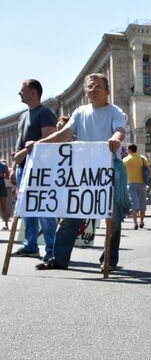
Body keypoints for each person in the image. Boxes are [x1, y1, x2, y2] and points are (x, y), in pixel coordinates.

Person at [31, 73, 126, 271]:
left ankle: (108, 259)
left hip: (108, 169)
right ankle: (59, 259)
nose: (94, 89)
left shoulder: (114, 111)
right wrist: (38, 144)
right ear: (85, 90)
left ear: (107, 91)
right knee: (70, 214)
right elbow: (63, 134)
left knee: (113, 217)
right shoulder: (80, 111)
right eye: (90, 86)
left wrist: (115, 139)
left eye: (99, 86)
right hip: (83, 170)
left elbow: (119, 130)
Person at [10, 79, 58, 261]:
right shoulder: (23, 116)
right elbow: (19, 145)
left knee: (45, 209)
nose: (19, 93)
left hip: (40, 169)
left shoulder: (45, 113)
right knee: (27, 209)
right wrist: (15, 168)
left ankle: (52, 248)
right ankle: (30, 246)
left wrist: (23, 153)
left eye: (22, 90)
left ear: (32, 91)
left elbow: (50, 141)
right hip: (23, 169)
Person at [122, 144, 151, 230]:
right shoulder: (142, 158)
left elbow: (122, 172)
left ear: (130, 150)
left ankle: (135, 223)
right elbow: (149, 170)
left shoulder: (125, 160)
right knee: (143, 203)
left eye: (127, 149)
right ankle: (141, 221)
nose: (126, 151)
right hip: (142, 183)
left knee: (133, 204)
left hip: (130, 184)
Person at [0, 159, 10, 230]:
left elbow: (8, 176)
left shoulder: (4, 165)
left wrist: (2, 176)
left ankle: (6, 225)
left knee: (4, 207)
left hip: (2, 186)